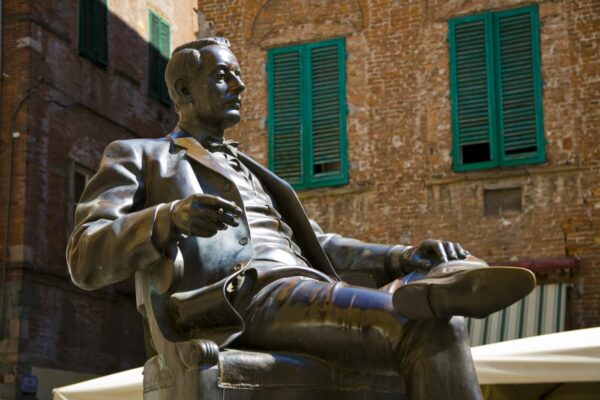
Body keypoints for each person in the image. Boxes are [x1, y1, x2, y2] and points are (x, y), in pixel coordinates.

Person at [66, 37, 535, 399]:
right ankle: (421, 294)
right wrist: (170, 218)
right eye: (224, 76)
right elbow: (85, 253)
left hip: (304, 286)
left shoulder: (255, 172)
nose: (241, 86)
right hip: (242, 296)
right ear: (185, 89)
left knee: (441, 324)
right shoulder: (142, 156)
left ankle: (423, 280)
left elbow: (319, 242)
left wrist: (398, 254)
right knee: (420, 323)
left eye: (239, 76)